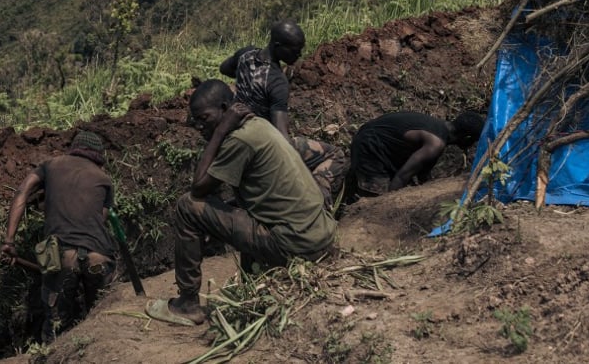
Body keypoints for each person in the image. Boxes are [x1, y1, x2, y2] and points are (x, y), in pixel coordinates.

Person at [151, 80, 337, 325]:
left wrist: (219, 132)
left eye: (204, 119)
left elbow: (198, 188)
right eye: (195, 121)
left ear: (226, 109)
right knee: (243, 210)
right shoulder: (259, 124)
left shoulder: (239, 140)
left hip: (295, 244)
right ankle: (254, 286)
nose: (199, 127)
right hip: (321, 237)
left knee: (188, 206)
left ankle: (187, 304)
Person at [0, 130, 117, 340]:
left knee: (56, 326)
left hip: (62, 255)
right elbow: (101, 218)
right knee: (100, 319)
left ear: (74, 149)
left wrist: (9, 241)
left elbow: (22, 192)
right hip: (99, 256)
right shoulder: (104, 179)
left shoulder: (51, 165)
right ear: (98, 156)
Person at [220, 19, 347, 210]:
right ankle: (317, 190)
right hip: (262, 145)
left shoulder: (245, 55)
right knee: (335, 154)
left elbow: (224, 68)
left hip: (235, 136)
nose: (299, 54)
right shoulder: (277, 82)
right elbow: (282, 138)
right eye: (295, 50)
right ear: (278, 46)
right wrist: (304, 177)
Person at [348, 111, 487, 197]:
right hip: (370, 147)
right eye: (473, 141)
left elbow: (422, 175)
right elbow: (402, 176)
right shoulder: (435, 143)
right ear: (467, 137)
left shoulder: (439, 128)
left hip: (374, 140)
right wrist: (389, 203)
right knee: (376, 197)